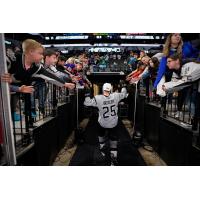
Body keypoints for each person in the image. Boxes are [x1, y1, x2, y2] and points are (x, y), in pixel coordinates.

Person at [84, 83, 128, 165]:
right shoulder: (116, 95)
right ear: (110, 89)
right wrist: (124, 87)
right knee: (113, 142)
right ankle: (113, 160)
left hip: (103, 123)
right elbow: (124, 94)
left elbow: (87, 103)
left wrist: (87, 93)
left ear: (103, 89)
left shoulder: (98, 98)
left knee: (101, 134)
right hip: (113, 123)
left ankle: (102, 147)